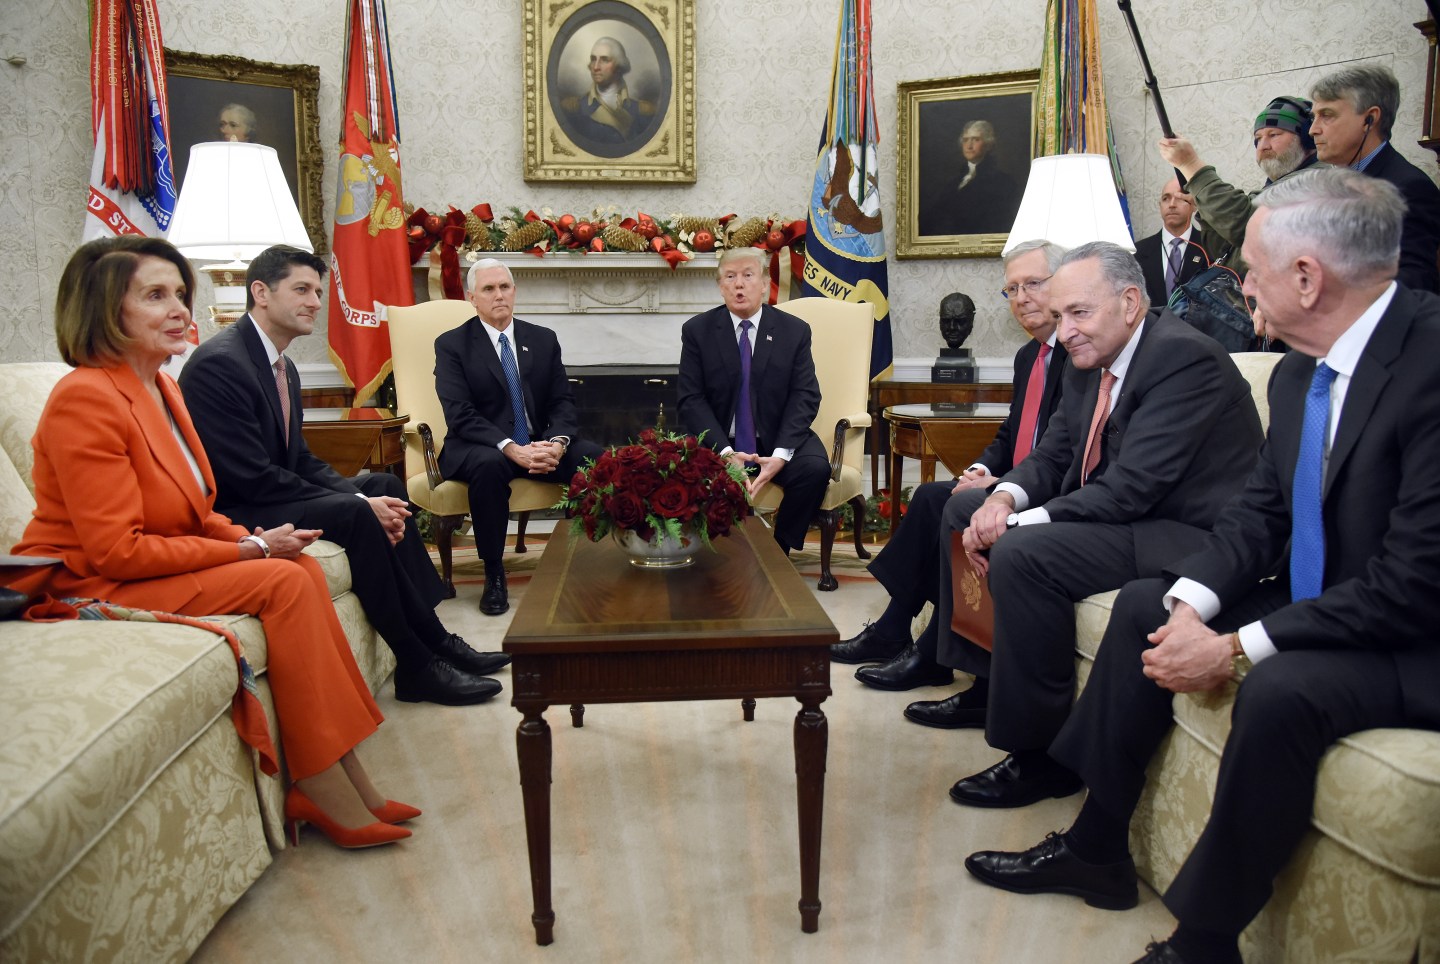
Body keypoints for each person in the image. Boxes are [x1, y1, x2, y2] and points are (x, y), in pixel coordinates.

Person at [964, 166, 1440, 964]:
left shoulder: (1429, 367)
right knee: (1151, 604)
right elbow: (1259, 513)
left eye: (1249, 266)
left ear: (1307, 276)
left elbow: (1411, 584)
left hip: (1416, 631)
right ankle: (1098, 846)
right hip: (1337, 594)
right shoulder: (1298, 370)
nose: (1239, 283)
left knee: (1285, 688)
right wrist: (1195, 605)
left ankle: (1204, 941)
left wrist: (1234, 648)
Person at [5, 236, 413, 849]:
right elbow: (117, 551)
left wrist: (254, 535)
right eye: (154, 296)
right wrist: (248, 551)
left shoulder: (163, 388)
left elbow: (195, 511)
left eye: (178, 293)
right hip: (90, 579)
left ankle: (346, 773)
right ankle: (323, 782)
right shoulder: (86, 398)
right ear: (102, 310)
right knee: (280, 579)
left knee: (295, 566)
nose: (178, 309)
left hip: (148, 559)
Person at [872, 243, 1263, 810]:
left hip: (1184, 532)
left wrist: (1019, 523)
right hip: (1129, 518)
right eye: (1061, 318)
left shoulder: (1185, 359)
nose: (1067, 330)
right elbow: (1055, 453)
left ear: (1130, 302)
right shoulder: (1089, 358)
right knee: (976, 512)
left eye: (1078, 312)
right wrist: (1003, 496)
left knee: (1027, 553)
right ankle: (984, 682)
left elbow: (1134, 488)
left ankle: (1039, 759)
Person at [178, 245, 506, 707]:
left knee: (385, 486)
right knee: (358, 514)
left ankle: (437, 639)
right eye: (302, 289)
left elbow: (301, 459)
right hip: (242, 505)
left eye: (317, 290)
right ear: (260, 293)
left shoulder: (281, 364)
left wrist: (363, 495)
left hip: (271, 488)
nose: (315, 301)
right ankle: (417, 665)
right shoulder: (221, 364)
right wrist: (355, 504)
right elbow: (251, 476)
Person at [837, 240, 1070, 726]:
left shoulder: (1080, 353)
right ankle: (895, 626)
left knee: (954, 509)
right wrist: (984, 470)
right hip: (1015, 480)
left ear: (1064, 285)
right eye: (1012, 288)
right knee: (930, 496)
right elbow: (1012, 434)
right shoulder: (1031, 356)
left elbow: (1068, 454)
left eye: (1033, 284)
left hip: (1050, 494)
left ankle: (930, 652)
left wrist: (1004, 485)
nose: (1022, 297)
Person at [435, 258, 602, 617]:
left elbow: (562, 402)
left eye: (505, 287)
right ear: (472, 298)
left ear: (515, 292)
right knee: (490, 465)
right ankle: (494, 573)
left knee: (594, 459)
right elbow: (460, 414)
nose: (499, 296)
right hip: (480, 447)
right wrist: (512, 448)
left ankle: (585, 558)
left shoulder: (542, 339)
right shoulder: (452, 345)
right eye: (489, 289)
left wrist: (556, 443)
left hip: (539, 444)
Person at [677, 246, 830, 555]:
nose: (739, 284)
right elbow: (691, 399)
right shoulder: (697, 331)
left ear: (764, 284)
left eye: (748, 275)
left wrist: (782, 453)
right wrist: (725, 451)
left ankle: (779, 548)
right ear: (720, 286)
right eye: (730, 277)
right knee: (683, 472)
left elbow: (806, 394)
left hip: (776, 437)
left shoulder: (794, 331)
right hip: (722, 439)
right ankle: (714, 551)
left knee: (814, 470)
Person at [1310, 64, 1440, 293]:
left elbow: (1410, 286)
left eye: (1327, 115)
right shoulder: (1328, 183)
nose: (1313, 129)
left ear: (1369, 119)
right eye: (1314, 117)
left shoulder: (1407, 188)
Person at [1157, 95, 1319, 276]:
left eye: (1273, 135)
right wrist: (1204, 207)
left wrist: (1191, 165)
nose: (1263, 145)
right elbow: (1221, 249)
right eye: (1258, 137)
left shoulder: (1318, 181)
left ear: (1307, 138)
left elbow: (1248, 227)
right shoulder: (1274, 187)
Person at [919, 120, 1021, 237]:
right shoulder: (953, 183)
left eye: (976, 139)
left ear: (988, 145)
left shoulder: (1003, 183)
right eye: (965, 140)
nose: (969, 146)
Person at [558, 36, 657, 151]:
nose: (595, 67)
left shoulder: (644, 112)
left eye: (605, 60)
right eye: (593, 59)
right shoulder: (574, 109)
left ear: (619, 66)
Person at [1133, 177, 1212, 309]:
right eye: (1166, 198)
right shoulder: (1137, 252)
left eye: (1180, 198)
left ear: (1193, 205)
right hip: (1153, 328)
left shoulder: (1210, 248)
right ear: (1160, 206)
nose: (1172, 204)